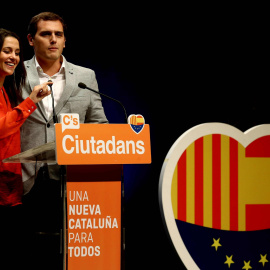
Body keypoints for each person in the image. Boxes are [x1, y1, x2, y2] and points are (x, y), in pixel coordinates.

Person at [20, 12, 108, 269]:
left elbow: (99, 125)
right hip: (25, 176)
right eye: (45, 34)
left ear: (65, 40)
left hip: (72, 180)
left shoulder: (85, 76)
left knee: (67, 255)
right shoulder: (17, 73)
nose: (53, 40)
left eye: (58, 34)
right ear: (30, 39)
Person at [0, 28, 51, 269]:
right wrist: (31, 102)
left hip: (10, 181)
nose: (13, 57)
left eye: (17, 53)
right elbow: (2, 128)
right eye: (6, 51)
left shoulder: (5, 89)